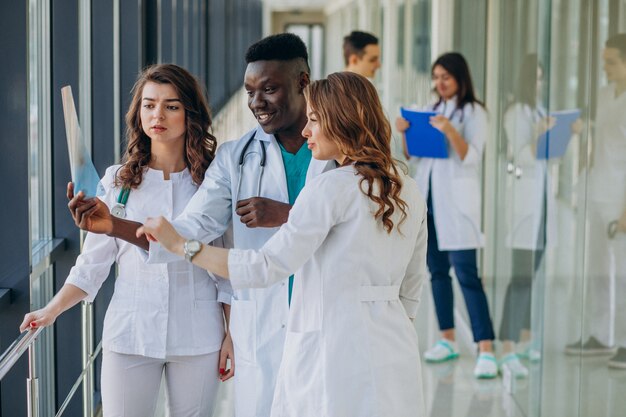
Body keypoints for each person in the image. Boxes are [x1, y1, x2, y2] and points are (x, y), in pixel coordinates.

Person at [66, 34, 335, 417]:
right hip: (263, 322)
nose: (256, 103)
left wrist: (289, 214)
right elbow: (191, 229)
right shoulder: (234, 158)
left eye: (269, 89)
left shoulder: (343, 155)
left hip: (327, 314)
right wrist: (114, 226)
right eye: (249, 91)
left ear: (303, 82)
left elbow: (367, 221)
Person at [138, 71, 428, 417]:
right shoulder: (407, 188)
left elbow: (266, 266)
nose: (307, 130)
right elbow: (411, 288)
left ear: (342, 122)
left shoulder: (329, 188)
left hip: (334, 354)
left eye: (316, 120)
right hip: (394, 350)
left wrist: (184, 246)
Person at [21, 64, 232, 416]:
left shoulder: (212, 182)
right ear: (138, 113)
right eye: (149, 105)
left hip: (199, 335)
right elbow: (92, 265)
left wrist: (231, 335)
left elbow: (225, 268)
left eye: (171, 106)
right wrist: (50, 309)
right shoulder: (118, 182)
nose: (158, 115)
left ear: (190, 113)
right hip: (131, 334)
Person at [396, 52, 497, 378]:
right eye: (436, 77)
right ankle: (447, 339)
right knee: (437, 272)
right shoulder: (433, 110)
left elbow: (472, 156)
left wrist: (451, 131)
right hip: (430, 204)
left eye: (446, 78)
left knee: (467, 274)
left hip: (458, 205)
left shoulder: (474, 112)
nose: (439, 83)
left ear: (460, 79)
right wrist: (404, 132)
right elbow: (415, 155)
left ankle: (485, 348)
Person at [568, 33, 626, 368]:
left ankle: (623, 340)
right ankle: (601, 335)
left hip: (620, 201)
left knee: (623, 275)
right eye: (603, 61)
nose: (605, 68)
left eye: (611, 62)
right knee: (600, 271)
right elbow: (600, 141)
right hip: (598, 193)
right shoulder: (605, 96)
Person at [498, 54, 556, 378]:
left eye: (541, 77)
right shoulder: (516, 114)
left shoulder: (537, 112)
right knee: (520, 275)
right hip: (524, 201)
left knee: (531, 274)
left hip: (542, 201)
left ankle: (522, 339)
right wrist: (540, 134)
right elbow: (521, 156)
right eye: (533, 78)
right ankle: (507, 346)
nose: (538, 83)